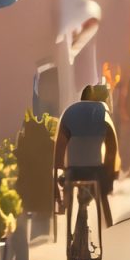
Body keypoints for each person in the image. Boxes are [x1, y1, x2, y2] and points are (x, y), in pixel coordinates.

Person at [54, 82, 119, 246]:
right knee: (103, 200)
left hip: (73, 171)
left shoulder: (70, 111)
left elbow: (60, 147)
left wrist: (58, 176)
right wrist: (110, 173)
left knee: (67, 196)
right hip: (95, 170)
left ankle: (65, 207)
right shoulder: (103, 111)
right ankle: (111, 234)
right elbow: (112, 146)